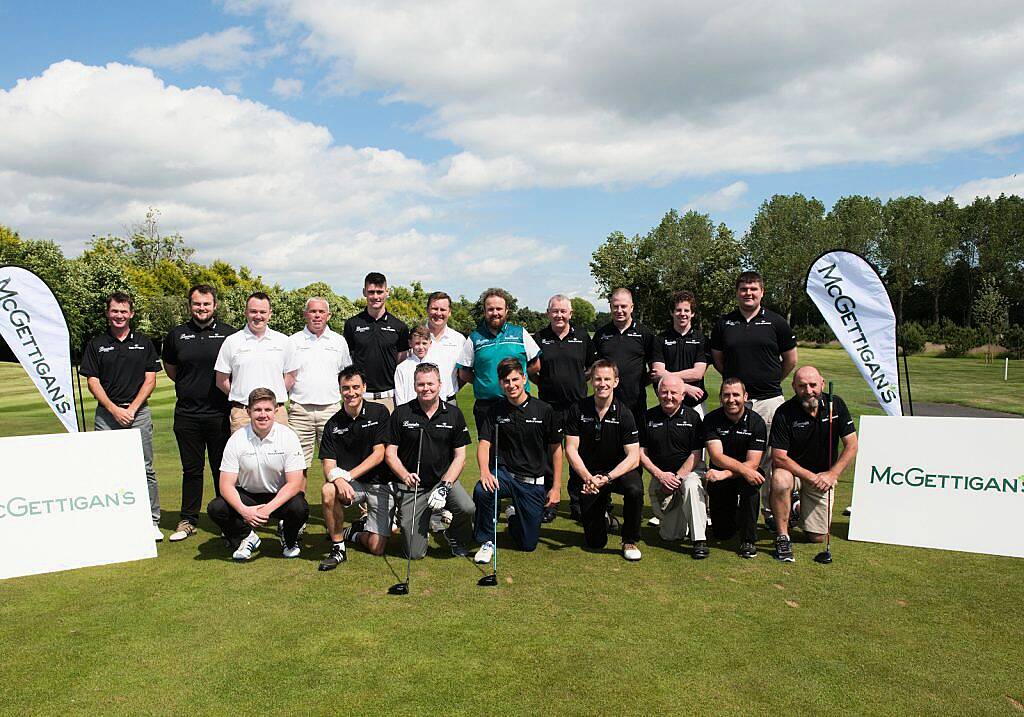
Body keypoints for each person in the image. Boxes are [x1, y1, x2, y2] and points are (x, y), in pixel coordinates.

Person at [710, 271, 797, 531]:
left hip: (769, 400)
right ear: (737, 292)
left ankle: (770, 513)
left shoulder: (776, 322)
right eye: (744, 289)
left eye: (753, 289)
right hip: (735, 402)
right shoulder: (725, 323)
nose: (748, 293)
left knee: (770, 459)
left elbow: (790, 360)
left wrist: (770, 381)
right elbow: (718, 360)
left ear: (762, 292)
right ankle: (731, 509)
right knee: (732, 455)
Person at [80, 291, 163, 542]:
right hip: (106, 414)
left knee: (146, 468)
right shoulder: (96, 344)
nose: (119, 315)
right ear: (108, 313)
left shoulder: (144, 342)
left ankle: (151, 521)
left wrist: (131, 409)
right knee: (105, 468)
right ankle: (112, 520)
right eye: (115, 311)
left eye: (123, 311)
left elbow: (151, 379)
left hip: (138, 413)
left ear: (131, 314)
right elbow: (92, 381)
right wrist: (115, 410)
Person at [162, 284, 237, 542]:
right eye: (197, 304)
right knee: (191, 470)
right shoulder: (177, 335)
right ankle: (188, 520)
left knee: (221, 469)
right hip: (187, 415)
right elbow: (171, 368)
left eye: (206, 304)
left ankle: (226, 520)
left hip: (219, 413)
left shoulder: (230, 335)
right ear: (190, 306)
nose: (201, 308)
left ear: (215, 305)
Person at [473, 358, 562, 564]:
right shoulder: (495, 410)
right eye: (506, 381)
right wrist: (485, 471)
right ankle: (486, 540)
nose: (511, 385)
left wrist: (556, 487)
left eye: (515, 379)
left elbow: (556, 450)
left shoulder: (544, 410)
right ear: (500, 383)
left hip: (532, 481)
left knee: (527, 544)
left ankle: (513, 516)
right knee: (482, 490)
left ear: (524, 378)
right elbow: (484, 444)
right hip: (504, 475)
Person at [384, 362, 476, 559]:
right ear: (414, 385)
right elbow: (390, 453)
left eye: (430, 384)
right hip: (413, 487)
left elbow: (460, 457)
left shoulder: (453, 414)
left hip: (443, 482)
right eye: (420, 384)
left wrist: (445, 486)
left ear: (440, 384)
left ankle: (455, 536)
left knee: (467, 507)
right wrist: (405, 475)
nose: (426, 388)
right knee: (414, 553)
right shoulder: (402, 413)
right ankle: (415, 521)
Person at [207, 388, 309, 561]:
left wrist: (267, 510)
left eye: (268, 410)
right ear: (248, 411)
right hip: (249, 495)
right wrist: (244, 511)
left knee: (300, 507)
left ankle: (289, 539)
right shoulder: (237, 439)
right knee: (216, 508)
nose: (263, 415)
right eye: (257, 410)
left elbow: (294, 484)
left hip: (279, 495)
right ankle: (247, 537)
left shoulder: (288, 436)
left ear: (275, 410)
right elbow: (225, 485)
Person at [768, 366, 858, 562]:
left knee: (816, 538)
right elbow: (779, 457)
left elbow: (851, 445)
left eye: (813, 385)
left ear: (822, 384)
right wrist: (809, 476)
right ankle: (783, 535)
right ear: (793, 387)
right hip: (795, 473)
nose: (808, 391)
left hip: (824, 476)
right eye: (802, 386)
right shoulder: (784, 412)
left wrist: (832, 475)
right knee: (781, 480)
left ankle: (796, 508)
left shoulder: (837, 405)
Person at [563, 360, 643, 561]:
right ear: (591, 381)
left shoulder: (625, 413)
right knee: (595, 542)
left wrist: (607, 477)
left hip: (618, 472)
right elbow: (571, 449)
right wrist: (588, 478)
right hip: (589, 475)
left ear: (616, 382)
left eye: (607, 379)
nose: (602, 383)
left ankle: (629, 540)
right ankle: (603, 518)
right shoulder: (578, 409)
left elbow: (633, 457)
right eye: (598, 379)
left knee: (635, 489)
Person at [316, 367, 392, 570]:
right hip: (352, 486)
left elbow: (379, 455)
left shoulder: (380, 412)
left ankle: (354, 533)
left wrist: (347, 476)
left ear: (364, 387)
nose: (351, 392)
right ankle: (338, 547)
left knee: (377, 548)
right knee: (328, 490)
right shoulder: (333, 424)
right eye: (346, 388)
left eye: (356, 387)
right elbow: (328, 464)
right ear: (340, 390)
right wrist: (339, 481)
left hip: (379, 484)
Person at [532, 294, 596, 522]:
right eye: (554, 311)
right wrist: (547, 383)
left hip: (578, 407)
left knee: (578, 454)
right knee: (549, 456)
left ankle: (578, 502)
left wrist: (578, 381)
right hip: (549, 407)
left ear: (570, 313)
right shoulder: (539, 338)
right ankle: (550, 501)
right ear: (548, 313)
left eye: (563, 311)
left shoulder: (582, 337)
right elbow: (532, 370)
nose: (559, 315)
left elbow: (591, 368)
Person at [639, 375, 706, 558]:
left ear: (683, 395)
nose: (669, 396)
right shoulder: (647, 417)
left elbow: (696, 455)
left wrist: (676, 478)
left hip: (689, 472)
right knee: (670, 536)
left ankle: (699, 540)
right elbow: (641, 453)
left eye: (674, 392)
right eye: (664, 392)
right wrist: (660, 475)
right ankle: (683, 519)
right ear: (658, 393)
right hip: (661, 477)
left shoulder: (693, 418)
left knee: (690, 486)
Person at [457, 288, 541, 431]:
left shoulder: (520, 333)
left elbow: (536, 365)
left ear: (507, 310)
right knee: (488, 449)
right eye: (490, 309)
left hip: (518, 403)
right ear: (484, 311)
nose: (495, 313)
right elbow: (464, 373)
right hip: (486, 406)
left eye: (499, 308)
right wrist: (485, 381)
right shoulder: (474, 338)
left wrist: (517, 380)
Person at [702, 377, 767, 558]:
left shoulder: (757, 422)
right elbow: (717, 456)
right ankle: (736, 516)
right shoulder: (711, 420)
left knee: (751, 483)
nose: (731, 399)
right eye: (726, 395)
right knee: (722, 533)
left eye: (736, 395)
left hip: (738, 473)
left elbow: (753, 462)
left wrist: (727, 474)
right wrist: (731, 473)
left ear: (745, 396)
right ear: (721, 397)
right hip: (720, 474)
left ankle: (748, 540)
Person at [214, 292, 297, 433]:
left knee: (279, 454)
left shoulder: (284, 341)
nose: (258, 316)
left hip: (276, 414)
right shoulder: (232, 341)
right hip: (242, 414)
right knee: (243, 455)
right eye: (253, 311)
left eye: (262, 312)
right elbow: (221, 380)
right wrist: (240, 396)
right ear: (246, 312)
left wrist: (270, 401)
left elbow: (290, 377)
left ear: (270, 313)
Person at [287, 297, 352, 470]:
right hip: (300, 411)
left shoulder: (339, 341)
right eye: (313, 311)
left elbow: (346, 375)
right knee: (297, 465)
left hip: (331, 409)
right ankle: (299, 499)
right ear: (305, 314)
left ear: (328, 315)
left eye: (321, 312)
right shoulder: (293, 341)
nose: (317, 316)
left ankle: (332, 498)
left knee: (335, 463)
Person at [344, 272, 410, 412]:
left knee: (389, 435)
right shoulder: (352, 324)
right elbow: (348, 359)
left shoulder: (399, 326)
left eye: (379, 292)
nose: (375, 296)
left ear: (387, 292)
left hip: (390, 398)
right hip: (360, 397)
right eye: (371, 292)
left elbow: (402, 362)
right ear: (364, 292)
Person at [593, 288, 658, 424]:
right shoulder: (601, 334)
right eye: (615, 306)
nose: (619, 310)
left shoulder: (645, 333)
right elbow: (594, 367)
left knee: (635, 444)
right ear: (610, 307)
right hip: (605, 403)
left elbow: (654, 369)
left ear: (632, 307)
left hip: (636, 403)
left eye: (624, 306)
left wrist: (638, 383)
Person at [650, 290, 710, 417]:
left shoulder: (701, 339)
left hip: (696, 404)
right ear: (672, 312)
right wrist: (686, 388)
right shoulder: (660, 339)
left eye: (686, 310)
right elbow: (657, 372)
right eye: (678, 310)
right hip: (668, 404)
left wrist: (667, 376)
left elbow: (697, 373)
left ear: (692, 313)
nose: (682, 314)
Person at [424, 291, 465, 402]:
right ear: (427, 310)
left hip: (449, 402)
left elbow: (463, 374)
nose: (438, 313)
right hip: (419, 402)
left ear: (449, 312)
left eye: (442, 310)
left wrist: (452, 390)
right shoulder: (415, 338)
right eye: (434, 309)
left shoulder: (459, 339)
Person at [394, 325, 432, 406]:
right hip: (410, 412)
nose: (421, 347)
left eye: (424, 343)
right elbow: (399, 395)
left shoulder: (436, 366)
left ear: (430, 343)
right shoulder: (402, 368)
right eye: (417, 343)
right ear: (410, 343)